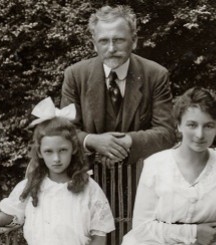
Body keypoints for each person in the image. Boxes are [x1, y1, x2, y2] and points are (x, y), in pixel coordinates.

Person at [0, 97, 115, 245]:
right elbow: (6, 216)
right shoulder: (31, 185)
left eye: (62, 150)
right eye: (49, 151)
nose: (56, 158)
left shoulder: (88, 188)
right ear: (40, 153)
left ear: (73, 149)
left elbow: (100, 236)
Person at [60, 5, 175, 168]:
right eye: (104, 41)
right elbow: (64, 132)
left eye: (119, 40)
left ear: (134, 41)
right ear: (94, 44)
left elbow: (166, 133)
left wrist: (126, 141)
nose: (111, 49)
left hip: (141, 178)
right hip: (88, 178)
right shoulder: (75, 75)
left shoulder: (155, 75)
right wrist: (93, 141)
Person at [121, 87, 216, 245]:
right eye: (192, 125)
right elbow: (141, 227)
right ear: (178, 125)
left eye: (208, 126)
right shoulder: (156, 164)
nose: (200, 135)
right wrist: (193, 233)